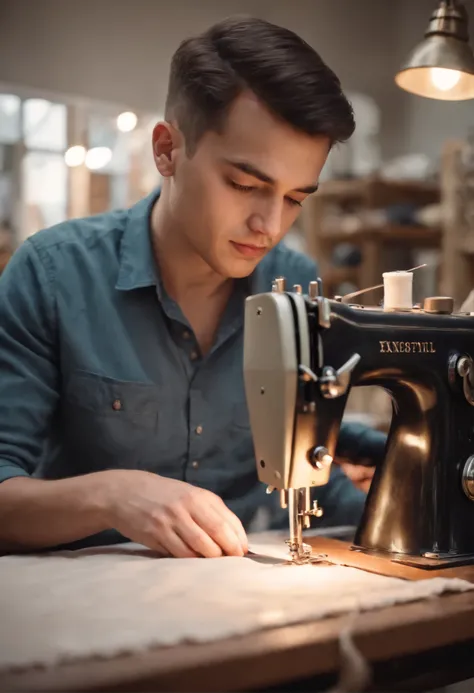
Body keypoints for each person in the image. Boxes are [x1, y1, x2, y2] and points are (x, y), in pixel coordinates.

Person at [0, 16, 385, 557]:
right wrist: (113, 495)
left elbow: (316, 438)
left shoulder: (296, 286)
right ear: (167, 151)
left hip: (254, 580)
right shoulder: (53, 275)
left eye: (297, 198)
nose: (271, 226)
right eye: (246, 185)